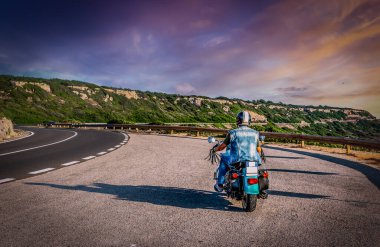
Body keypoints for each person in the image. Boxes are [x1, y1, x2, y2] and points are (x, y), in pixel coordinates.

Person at [213, 111, 261, 192]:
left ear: (238, 120)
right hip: (254, 160)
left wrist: (215, 149)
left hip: (238, 160)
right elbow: (258, 149)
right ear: (249, 121)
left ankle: (220, 184)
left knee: (224, 158)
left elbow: (222, 147)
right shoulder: (255, 133)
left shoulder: (233, 132)